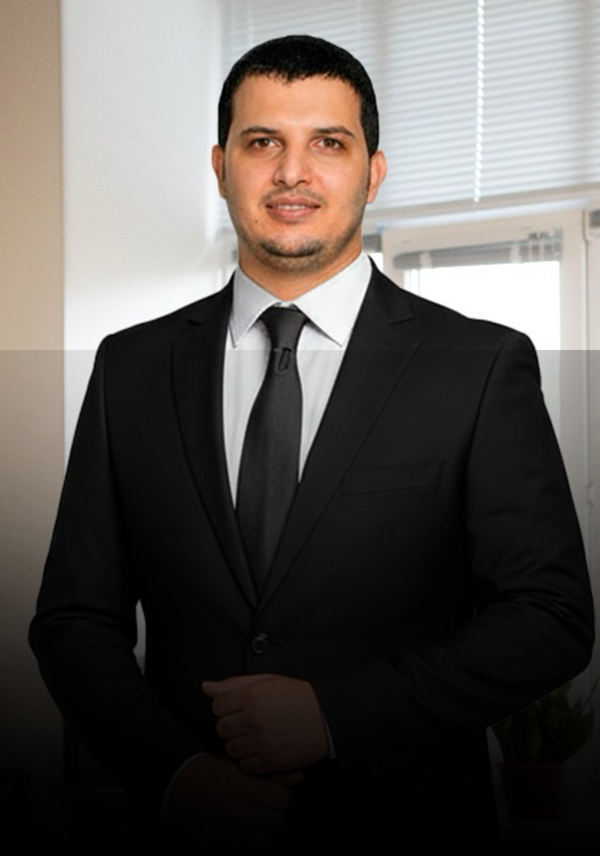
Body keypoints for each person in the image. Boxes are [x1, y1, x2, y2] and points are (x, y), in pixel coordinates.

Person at [30, 35, 594, 849]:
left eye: (328, 143)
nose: (292, 172)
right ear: (221, 167)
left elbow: (550, 618)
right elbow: (74, 621)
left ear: (373, 171)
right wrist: (175, 776)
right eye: (263, 142)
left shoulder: (479, 365)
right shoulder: (131, 368)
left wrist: (334, 716)